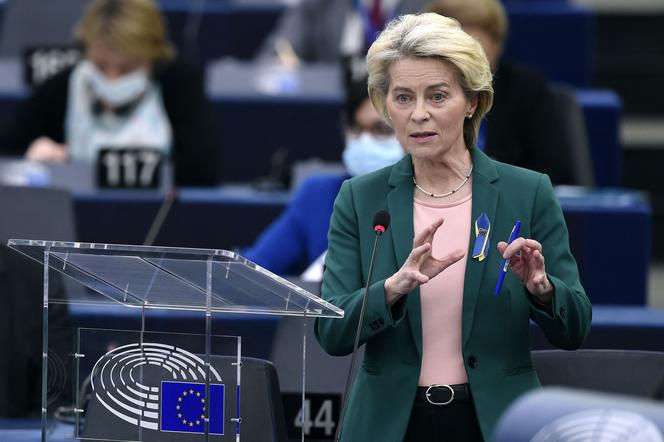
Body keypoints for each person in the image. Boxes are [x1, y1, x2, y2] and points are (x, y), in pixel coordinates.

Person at [315, 13, 592, 441]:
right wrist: (392, 289)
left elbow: (575, 328)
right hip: (390, 424)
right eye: (403, 97)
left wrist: (542, 288)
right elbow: (331, 331)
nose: (419, 114)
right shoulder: (361, 198)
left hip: (495, 422)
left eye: (437, 96)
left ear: (472, 102)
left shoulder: (527, 192)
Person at [0, 0, 222, 186]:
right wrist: (27, 161)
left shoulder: (180, 83)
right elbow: (7, 153)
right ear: (85, 51)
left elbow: (203, 171)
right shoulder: (62, 86)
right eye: (100, 65)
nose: (111, 78)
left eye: (127, 68)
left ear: (153, 58)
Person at [243, 76, 403, 276]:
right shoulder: (319, 195)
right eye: (355, 128)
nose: (365, 140)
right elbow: (249, 274)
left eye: (381, 129)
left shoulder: (431, 200)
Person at [426, 0, 585, 185]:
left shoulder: (526, 90)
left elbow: (554, 174)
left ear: (497, 44)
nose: (463, 59)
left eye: (472, 47)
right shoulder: (416, 91)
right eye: (453, 48)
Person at [257, 0, 431, 63]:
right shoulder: (319, 4)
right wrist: (280, 66)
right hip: (331, 115)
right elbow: (279, 48)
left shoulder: (434, 5)